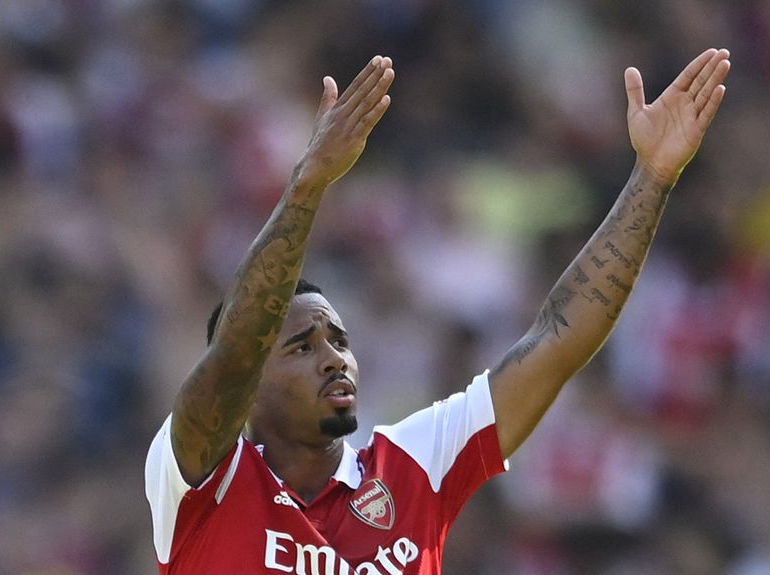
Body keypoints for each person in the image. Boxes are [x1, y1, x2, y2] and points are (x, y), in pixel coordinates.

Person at [145, 49, 731, 574]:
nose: (334, 359)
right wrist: (307, 186)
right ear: (249, 386)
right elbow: (236, 350)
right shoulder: (199, 478)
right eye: (301, 346)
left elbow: (555, 341)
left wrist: (652, 177)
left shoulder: (411, 464)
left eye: (339, 339)